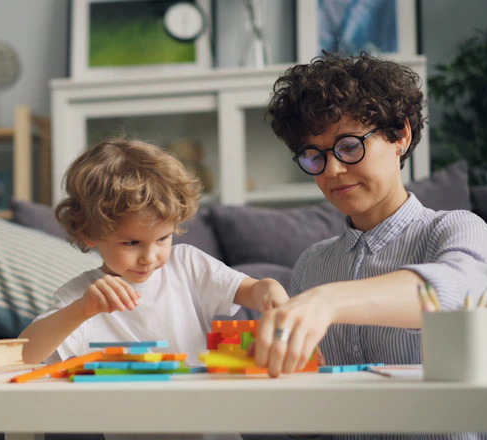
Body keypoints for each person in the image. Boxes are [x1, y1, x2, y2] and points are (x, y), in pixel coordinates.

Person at [254, 52, 487, 438]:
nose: (332, 170)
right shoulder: (311, 266)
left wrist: (329, 302)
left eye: (349, 146)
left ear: (400, 135)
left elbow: (460, 291)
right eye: (314, 156)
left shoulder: (456, 229)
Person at [19, 138, 289, 440]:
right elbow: (24, 355)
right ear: (90, 233)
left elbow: (251, 289)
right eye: (132, 243)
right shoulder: (84, 296)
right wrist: (82, 310)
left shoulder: (187, 265)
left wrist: (269, 288)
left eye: (163, 238)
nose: (150, 257)